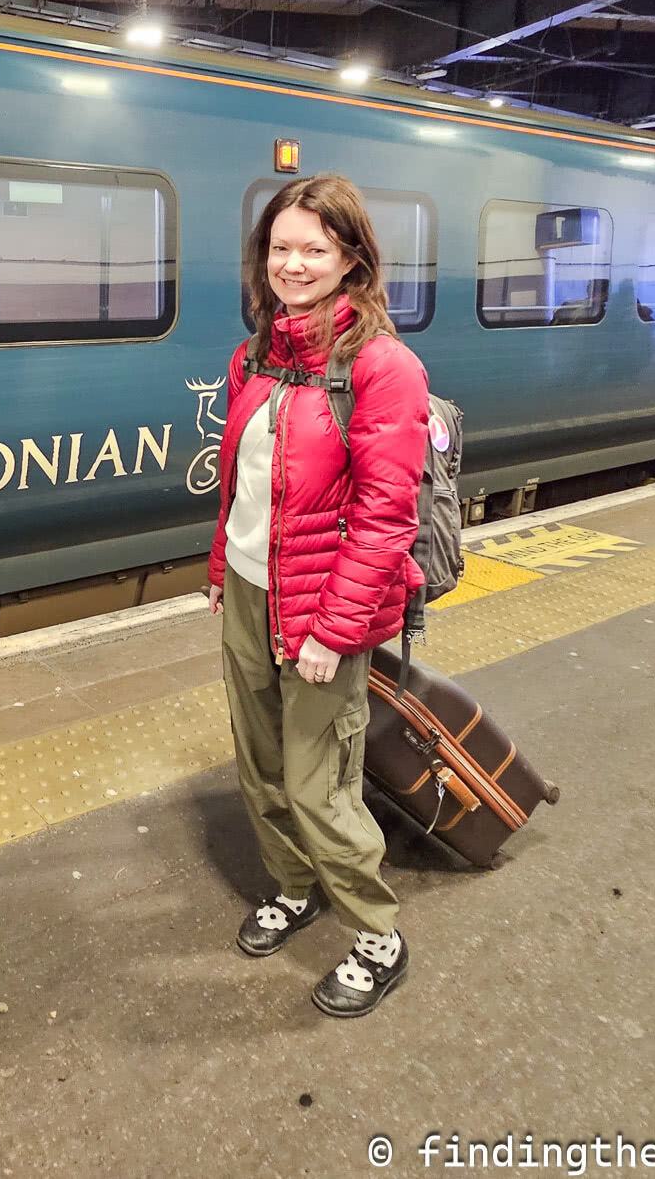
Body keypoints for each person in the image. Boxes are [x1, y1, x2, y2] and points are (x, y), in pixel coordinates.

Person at [205, 172, 429, 1018]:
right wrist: (227, 572)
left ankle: (378, 933)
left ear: (351, 259)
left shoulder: (382, 368)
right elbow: (244, 486)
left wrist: (336, 631)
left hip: (327, 612)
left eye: (313, 249)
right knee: (259, 765)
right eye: (279, 248)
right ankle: (296, 886)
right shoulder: (256, 356)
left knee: (318, 780)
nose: (292, 264)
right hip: (252, 593)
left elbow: (384, 518)